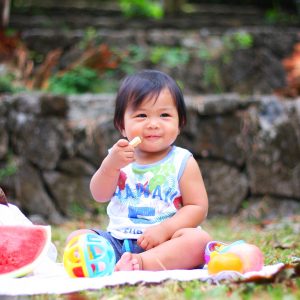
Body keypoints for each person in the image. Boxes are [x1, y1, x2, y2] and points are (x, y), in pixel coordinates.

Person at [68, 70, 211, 271]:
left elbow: (197, 207)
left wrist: (164, 229)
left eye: (165, 115)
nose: (153, 124)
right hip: (118, 241)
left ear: (180, 124)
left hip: (166, 242)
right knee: (77, 238)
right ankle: (120, 261)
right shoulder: (118, 156)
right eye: (142, 115)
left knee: (199, 240)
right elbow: (99, 195)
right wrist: (110, 166)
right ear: (122, 126)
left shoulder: (182, 161)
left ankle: (143, 263)